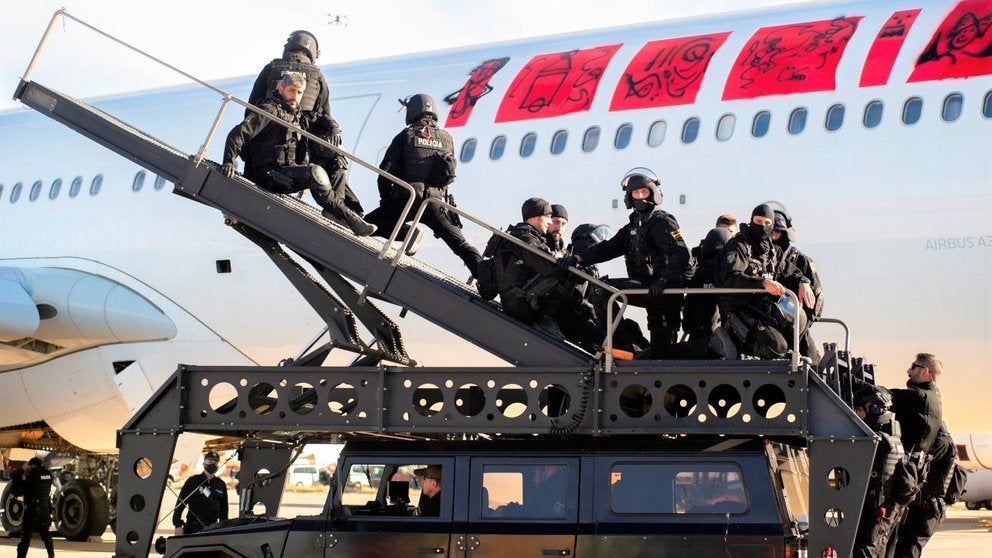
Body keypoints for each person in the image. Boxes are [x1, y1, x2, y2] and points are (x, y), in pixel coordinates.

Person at [223, 71, 376, 236]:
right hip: (266, 176)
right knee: (314, 173)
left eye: (299, 92)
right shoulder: (269, 110)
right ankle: (349, 219)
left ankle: (347, 213)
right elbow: (238, 133)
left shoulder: (294, 114)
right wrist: (229, 161)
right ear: (280, 88)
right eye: (291, 90)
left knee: (334, 159)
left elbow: (319, 117)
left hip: (284, 174)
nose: (295, 96)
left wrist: (334, 127)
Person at [571, 168, 691, 358]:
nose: (641, 197)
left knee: (663, 350)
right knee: (601, 288)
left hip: (665, 291)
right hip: (646, 288)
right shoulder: (633, 226)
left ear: (654, 194)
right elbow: (609, 248)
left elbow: (682, 255)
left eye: (645, 192)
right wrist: (578, 258)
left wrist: (664, 281)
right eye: (636, 193)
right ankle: (626, 343)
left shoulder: (664, 223)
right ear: (629, 196)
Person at [246, 30, 364, 217]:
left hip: (265, 158)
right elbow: (325, 115)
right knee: (336, 156)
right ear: (314, 53)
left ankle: (347, 209)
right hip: (301, 152)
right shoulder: (317, 77)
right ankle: (345, 208)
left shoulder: (271, 70)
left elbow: (251, 111)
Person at [364, 94, 482, 276]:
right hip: (435, 202)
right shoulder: (447, 139)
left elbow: (384, 173)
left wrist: (386, 201)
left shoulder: (406, 136)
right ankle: (484, 276)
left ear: (412, 112)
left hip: (408, 199)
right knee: (461, 245)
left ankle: (406, 234)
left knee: (367, 226)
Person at [715, 204, 815, 360]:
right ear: (751, 220)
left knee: (799, 317)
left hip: (763, 309)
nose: (762, 226)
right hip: (740, 311)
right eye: (758, 221)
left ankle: (789, 355)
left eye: (767, 223)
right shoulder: (739, 245)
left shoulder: (771, 250)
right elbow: (730, 279)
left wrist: (803, 282)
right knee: (777, 346)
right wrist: (762, 283)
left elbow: (789, 271)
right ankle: (727, 342)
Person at [850, 386, 907, 558]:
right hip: (886, 509)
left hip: (875, 509)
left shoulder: (877, 441)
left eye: (859, 410)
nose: (856, 415)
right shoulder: (893, 438)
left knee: (865, 551)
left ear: (874, 410)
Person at [892, 426, 956, 558]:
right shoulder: (944, 442)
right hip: (926, 506)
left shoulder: (942, 443)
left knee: (909, 551)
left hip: (928, 508)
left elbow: (920, 462)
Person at [771, 209, 824, 363]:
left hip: (795, 330)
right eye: (769, 231)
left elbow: (816, 302)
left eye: (776, 231)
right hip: (764, 330)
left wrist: (797, 329)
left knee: (813, 366)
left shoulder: (800, 261)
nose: (772, 236)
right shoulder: (755, 257)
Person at [890, 353, 943, 457]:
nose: (908, 371)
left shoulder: (919, 396)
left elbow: (882, 395)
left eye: (913, 367)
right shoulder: (935, 398)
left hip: (906, 466)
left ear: (925, 371)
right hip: (914, 467)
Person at [173, 451, 229, 535]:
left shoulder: (220, 484)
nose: (212, 464)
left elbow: (224, 510)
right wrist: (177, 525)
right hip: (193, 528)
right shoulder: (193, 481)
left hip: (213, 529)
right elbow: (180, 504)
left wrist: (224, 527)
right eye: (209, 461)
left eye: (215, 462)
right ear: (204, 463)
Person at [12, 457, 54, 558]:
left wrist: (20, 472)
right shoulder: (48, 474)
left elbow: (20, 489)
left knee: (26, 535)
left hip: (32, 509)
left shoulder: (32, 474)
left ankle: (21, 556)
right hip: (44, 509)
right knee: (45, 534)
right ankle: (51, 554)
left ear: (31, 466)